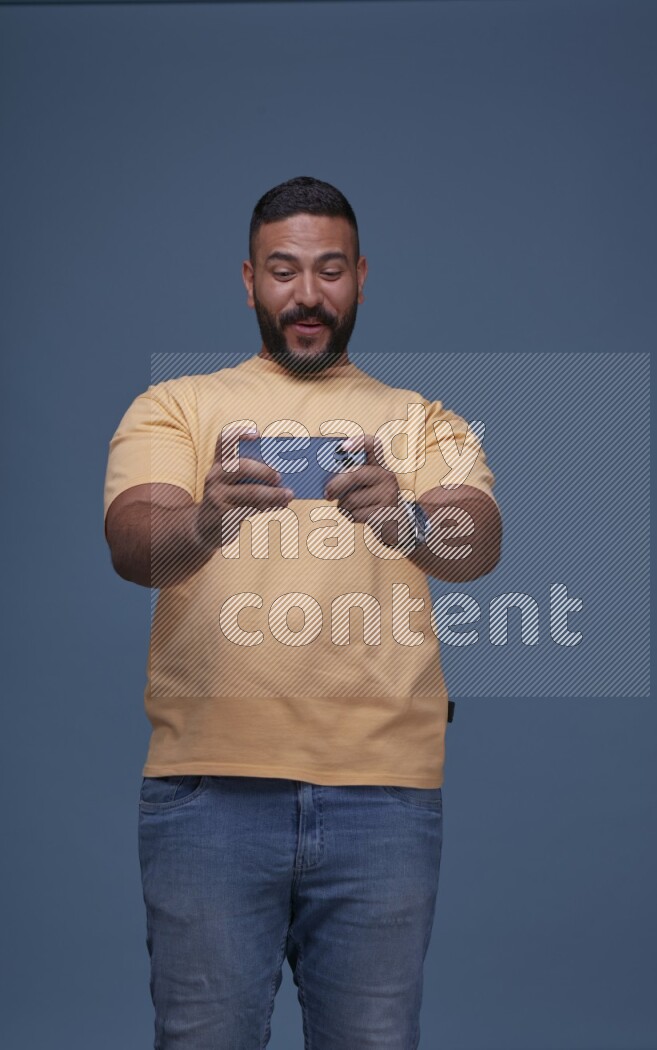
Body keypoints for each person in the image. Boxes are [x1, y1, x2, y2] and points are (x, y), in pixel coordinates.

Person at [104, 175, 502, 1050]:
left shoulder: (421, 419)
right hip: (209, 790)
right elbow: (133, 544)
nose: (308, 295)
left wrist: (405, 520)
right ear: (248, 280)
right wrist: (208, 520)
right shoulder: (176, 406)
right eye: (284, 271)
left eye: (329, 270)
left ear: (361, 276)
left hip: (385, 799)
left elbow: (478, 546)